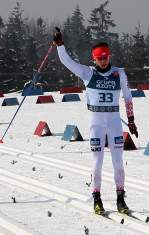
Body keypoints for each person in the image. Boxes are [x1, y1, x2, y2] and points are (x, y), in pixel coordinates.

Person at [53, 28, 138, 215]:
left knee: (118, 162)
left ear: (109, 56)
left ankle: (120, 198)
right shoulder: (88, 73)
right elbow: (67, 62)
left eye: (105, 57)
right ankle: (97, 198)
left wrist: (131, 120)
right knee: (97, 162)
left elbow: (128, 97)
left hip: (115, 123)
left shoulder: (119, 74)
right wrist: (60, 46)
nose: (103, 60)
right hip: (97, 124)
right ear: (94, 59)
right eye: (99, 58)